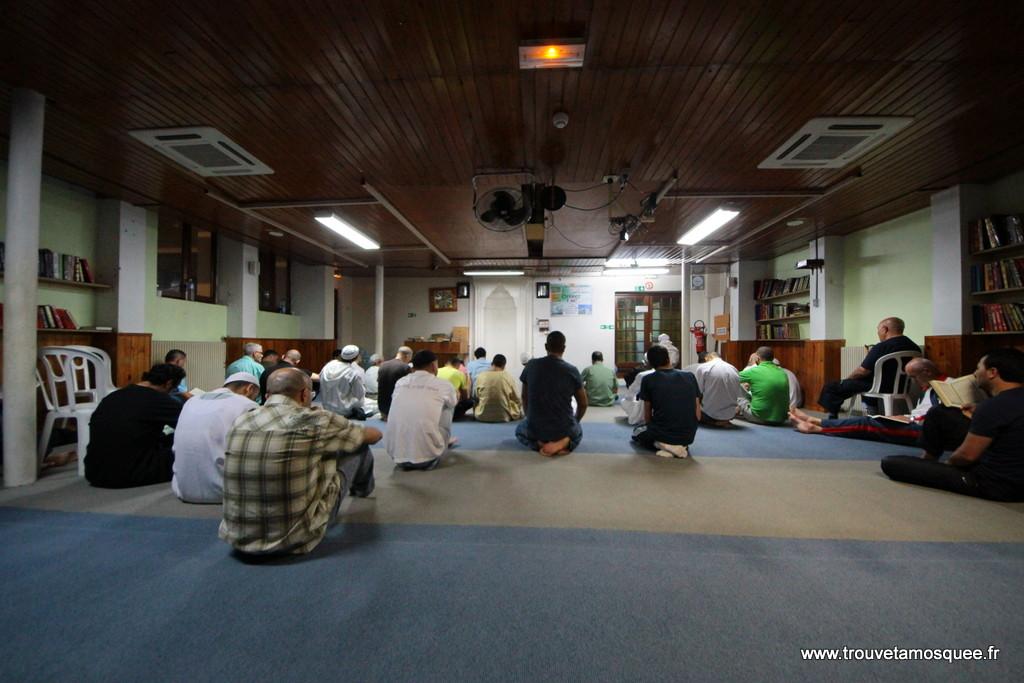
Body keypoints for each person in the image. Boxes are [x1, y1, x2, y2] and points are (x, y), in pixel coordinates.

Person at [219, 367, 382, 556]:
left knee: (316, 450)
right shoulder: (315, 420)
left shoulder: (242, 420)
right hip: (294, 538)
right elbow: (373, 435)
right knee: (356, 445)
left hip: (238, 536)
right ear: (305, 394)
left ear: (267, 394)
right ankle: (362, 490)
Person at [880, 348, 1024, 501]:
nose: (975, 373)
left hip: (996, 485)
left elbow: (967, 456)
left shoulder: (993, 406)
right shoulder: (995, 405)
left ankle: (931, 464)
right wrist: (977, 410)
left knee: (891, 463)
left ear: (992, 372)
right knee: (940, 412)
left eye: (978, 368)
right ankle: (929, 457)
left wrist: (947, 464)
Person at [789, 358, 947, 446]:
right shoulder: (934, 387)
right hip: (914, 420)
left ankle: (817, 428)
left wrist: (907, 419)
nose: (912, 381)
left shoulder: (944, 388)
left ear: (927, 371)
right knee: (872, 420)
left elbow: (934, 418)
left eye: (913, 376)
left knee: (866, 424)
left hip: (921, 430)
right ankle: (816, 420)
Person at [84, 363, 186, 488]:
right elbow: (191, 426)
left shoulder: (113, 396)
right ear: (169, 383)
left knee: (166, 438)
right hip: (129, 473)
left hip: (94, 472)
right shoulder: (159, 400)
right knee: (191, 451)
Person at [171, 372, 260, 503]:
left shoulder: (192, 401)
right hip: (225, 491)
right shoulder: (247, 405)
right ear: (249, 388)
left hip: (182, 487)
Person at [818, 317, 921, 418]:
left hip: (876, 386)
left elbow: (862, 371)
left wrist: (848, 379)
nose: (878, 333)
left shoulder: (881, 347)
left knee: (832, 386)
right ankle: (872, 414)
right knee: (864, 385)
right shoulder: (914, 347)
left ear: (885, 329)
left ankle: (832, 417)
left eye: (878, 330)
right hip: (902, 388)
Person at [384, 350, 458, 471]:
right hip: (427, 457)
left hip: (396, 456)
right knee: (449, 405)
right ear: (434, 365)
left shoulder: (401, 382)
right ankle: (441, 441)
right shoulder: (443, 385)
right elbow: (453, 402)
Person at [516, 331, 587, 456]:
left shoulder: (531, 366)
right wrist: (575, 422)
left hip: (536, 429)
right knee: (579, 430)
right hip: (563, 428)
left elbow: (524, 396)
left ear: (545, 346)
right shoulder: (572, 370)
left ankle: (539, 444)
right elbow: (583, 404)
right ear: (564, 348)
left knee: (519, 430)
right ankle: (564, 442)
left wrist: (530, 418)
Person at [631, 345, 702, 458]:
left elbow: (647, 416)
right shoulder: (690, 376)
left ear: (650, 364)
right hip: (688, 436)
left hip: (662, 433)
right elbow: (698, 414)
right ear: (668, 359)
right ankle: (678, 446)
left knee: (636, 432)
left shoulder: (648, 379)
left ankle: (663, 444)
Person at [736, 346, 790, 425]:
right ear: (772, 358)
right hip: (781, 418)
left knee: (735, 384)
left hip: (759, 417)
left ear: (757, 358)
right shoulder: (782, 372)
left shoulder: (754, 371)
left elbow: (730, 377)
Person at [689, 351, 744, 426]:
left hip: (710, 414)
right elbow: (738, 394)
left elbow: (698, 392)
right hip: (731, 414)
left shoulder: (703, 367)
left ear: (707, 358)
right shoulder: (733, 368)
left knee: (690, 405)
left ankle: (714, 422)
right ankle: (724, 420)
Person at [319, 345, 372, 419]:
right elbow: (359, 394)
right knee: (373, 405)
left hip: (326, 407)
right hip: (343, 410)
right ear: (356, 357)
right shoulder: (352, 372)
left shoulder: (327, 366)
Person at [474, 354, 523, 422]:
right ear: (504, 366)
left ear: (492, 363)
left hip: (482, 415)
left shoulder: (481, 376)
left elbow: (476, 396)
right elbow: (517, 398)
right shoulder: (507, 376)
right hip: (504, 416)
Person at [378, 346, 413, 419]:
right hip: (396, 408)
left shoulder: (383, 365)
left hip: (382, 406)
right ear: (407, 356)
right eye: (410, 358)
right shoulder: (405, 368)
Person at [620, 361, 656, 426]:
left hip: (647, 407)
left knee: (624, 401)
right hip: (670, 413)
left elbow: (630, 394)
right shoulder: (679, 375)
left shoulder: (643, 375)